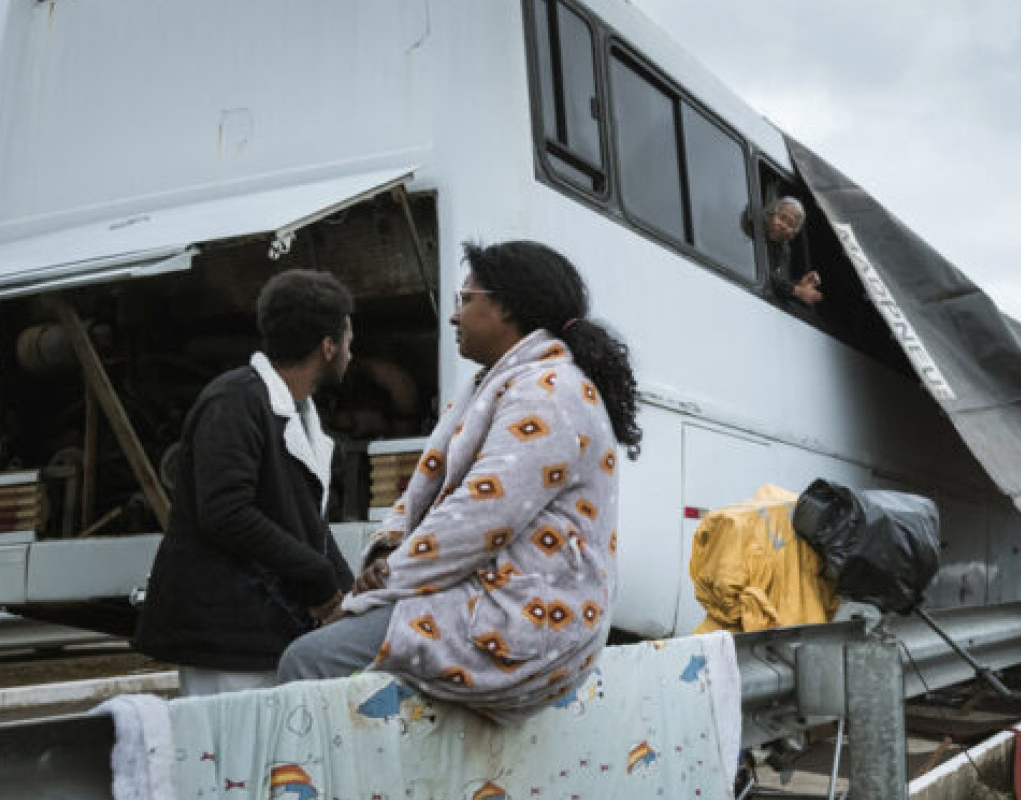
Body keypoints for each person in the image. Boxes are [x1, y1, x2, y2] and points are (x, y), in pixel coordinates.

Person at [278, 241, 642, 723]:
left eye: (466, 300)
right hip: (483, 598)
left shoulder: (549, 392)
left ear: (508, 308)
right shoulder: (499, 383)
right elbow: (423, 495)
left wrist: (367, 595)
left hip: (520, 618)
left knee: (306, 660)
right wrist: (387, 550)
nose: (454, 317)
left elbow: (480, 517)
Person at [134, 270, 356, 696]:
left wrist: (347, 590)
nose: (351, 349)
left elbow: (307, 519)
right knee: (227, 757)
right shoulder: (234, 401)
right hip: (224, 633)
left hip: (266, 628)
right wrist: (319, 578)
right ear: (328, 346)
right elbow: (225, 513)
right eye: (348, 338)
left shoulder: (295, 410)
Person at [761, 196, 823, 305]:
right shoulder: (753, 232)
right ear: (771, 215)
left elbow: (778, 284)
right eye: (781, 217)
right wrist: (797, 291)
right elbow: (761, 274)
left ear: (793, 234)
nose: (783, 225)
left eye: (790, 224)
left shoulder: (784, 251)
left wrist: (800, 285)